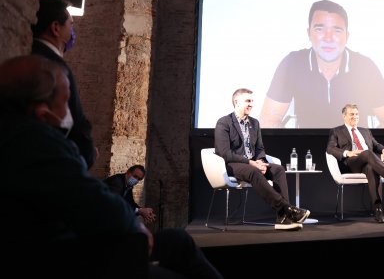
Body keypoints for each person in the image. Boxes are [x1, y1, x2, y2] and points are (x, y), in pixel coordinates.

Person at [0, 55, 223, 279]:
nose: (70, 113)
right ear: (41, 110)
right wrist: (133, 226)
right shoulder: (35, 143)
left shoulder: (19, 136)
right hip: (67, 258)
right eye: (65, 101)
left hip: (78, 246)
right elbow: (88, 197)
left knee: (178, 240)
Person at [259, 0, 384, 128]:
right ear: (309, 33)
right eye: (319, 29)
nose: (328, 38)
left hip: (356, 153)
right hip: (307, 151)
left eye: (337, 30)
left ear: (347, 36)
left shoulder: (365, 67)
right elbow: (268, 121)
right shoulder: (292, 63)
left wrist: (368, 149)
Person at [214, 88, 310, 230]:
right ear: (236, 102)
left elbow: (259, 148)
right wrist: (251, 163)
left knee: (278, 169)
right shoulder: (224, 122)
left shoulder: (255, 123)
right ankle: (288, 210)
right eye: (248, 101)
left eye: (252, 101)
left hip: (253, 163)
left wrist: (261, 161)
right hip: (234, 164)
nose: (251, 104)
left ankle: (283, 218)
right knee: (254, 172)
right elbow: (224, 153)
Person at [31, 0, 97, 169]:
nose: (72, 31)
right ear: (55, 28)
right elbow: (75, 119)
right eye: (70, 25)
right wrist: (87, 154)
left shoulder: (27, 53)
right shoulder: (55, 65)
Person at [326, 104, 384, 223]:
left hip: (368, 162)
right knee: (368, 153)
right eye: (351, 114)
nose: (355, 116)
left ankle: (378, 210)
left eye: (356, 114)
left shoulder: (365, 131)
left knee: (371, 168)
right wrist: (347, 153)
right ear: (344, 116)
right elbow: (330, 148)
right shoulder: (337, 131)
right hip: (351, 163)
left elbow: (377, 145)